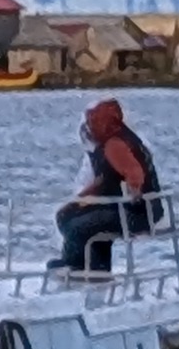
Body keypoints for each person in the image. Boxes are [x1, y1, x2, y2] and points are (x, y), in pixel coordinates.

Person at [56, 98, 161, 273]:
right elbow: (102, 182)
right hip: (133, 208)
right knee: (67, 214)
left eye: (93, 120)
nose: (89, 126)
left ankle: (77, 265)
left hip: (140, 213)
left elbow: (134, 173)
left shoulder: (115, 145)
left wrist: (134, 192)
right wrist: (78, 200)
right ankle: (93, 265)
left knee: (78, 225)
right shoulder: (118, 140)